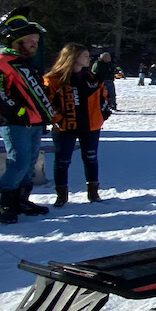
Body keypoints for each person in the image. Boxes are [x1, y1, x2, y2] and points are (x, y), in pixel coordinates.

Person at [0, 8, 55, 224]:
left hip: (33, 123)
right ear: (15, 40)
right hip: (14, 122)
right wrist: (19, 111)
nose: (35, 43)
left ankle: (20, 200)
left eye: (36, 40)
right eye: (30, 39)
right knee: (19, 161)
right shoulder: (0, 63)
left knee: (30, 162)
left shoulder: (24, 64)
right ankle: (0, 202)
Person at [45, 43, 111, 205]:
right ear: (73, 57)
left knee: (91, 159)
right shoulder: (53, 79)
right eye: (85, 55)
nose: (89, 58)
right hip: (64, 127)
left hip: (90, 126)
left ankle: (93, 193)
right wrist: (58, 118)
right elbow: (46, 102)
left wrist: (103, 114)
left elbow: (104, 98)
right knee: (62, 161)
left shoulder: (92, 79)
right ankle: (61, 195)